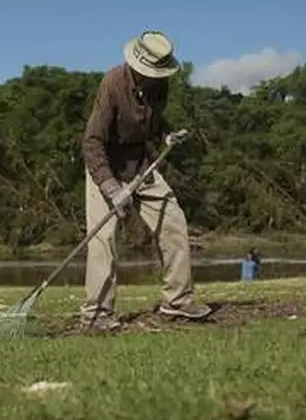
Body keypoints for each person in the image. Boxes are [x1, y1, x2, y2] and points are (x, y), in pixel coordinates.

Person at [79, 30, 212, 330]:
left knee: (174, 223)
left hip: (141, 165)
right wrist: (111, 188)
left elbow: (153, 121)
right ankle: (97, 312)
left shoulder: (160, 85)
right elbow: (92, 141)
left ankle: (176, 301)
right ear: (137, 67)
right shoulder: (112, 83)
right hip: (106, 166)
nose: (154, 77)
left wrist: (167, 135)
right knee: (104, 241)